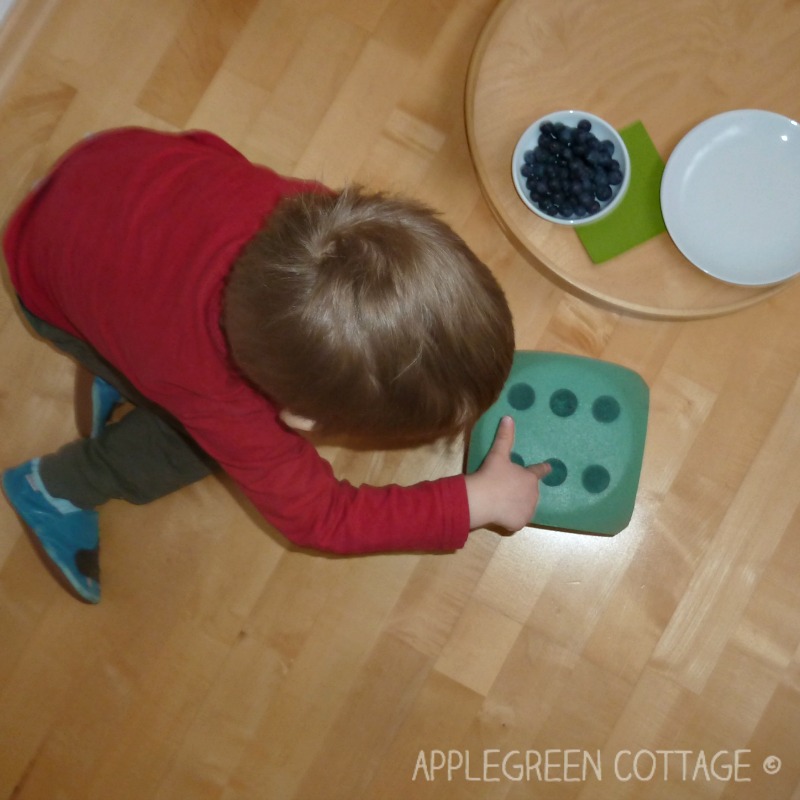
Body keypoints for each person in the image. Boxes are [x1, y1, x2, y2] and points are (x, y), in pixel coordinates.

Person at [1, 127, 550, 604]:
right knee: (192, 445)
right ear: (300, 418)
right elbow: (321, 518)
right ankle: (56, 487)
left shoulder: (321, 229)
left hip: (107, 166)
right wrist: (473, 501)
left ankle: (121, 362)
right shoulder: (231, 405)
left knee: (154, 331)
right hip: (51, 289)